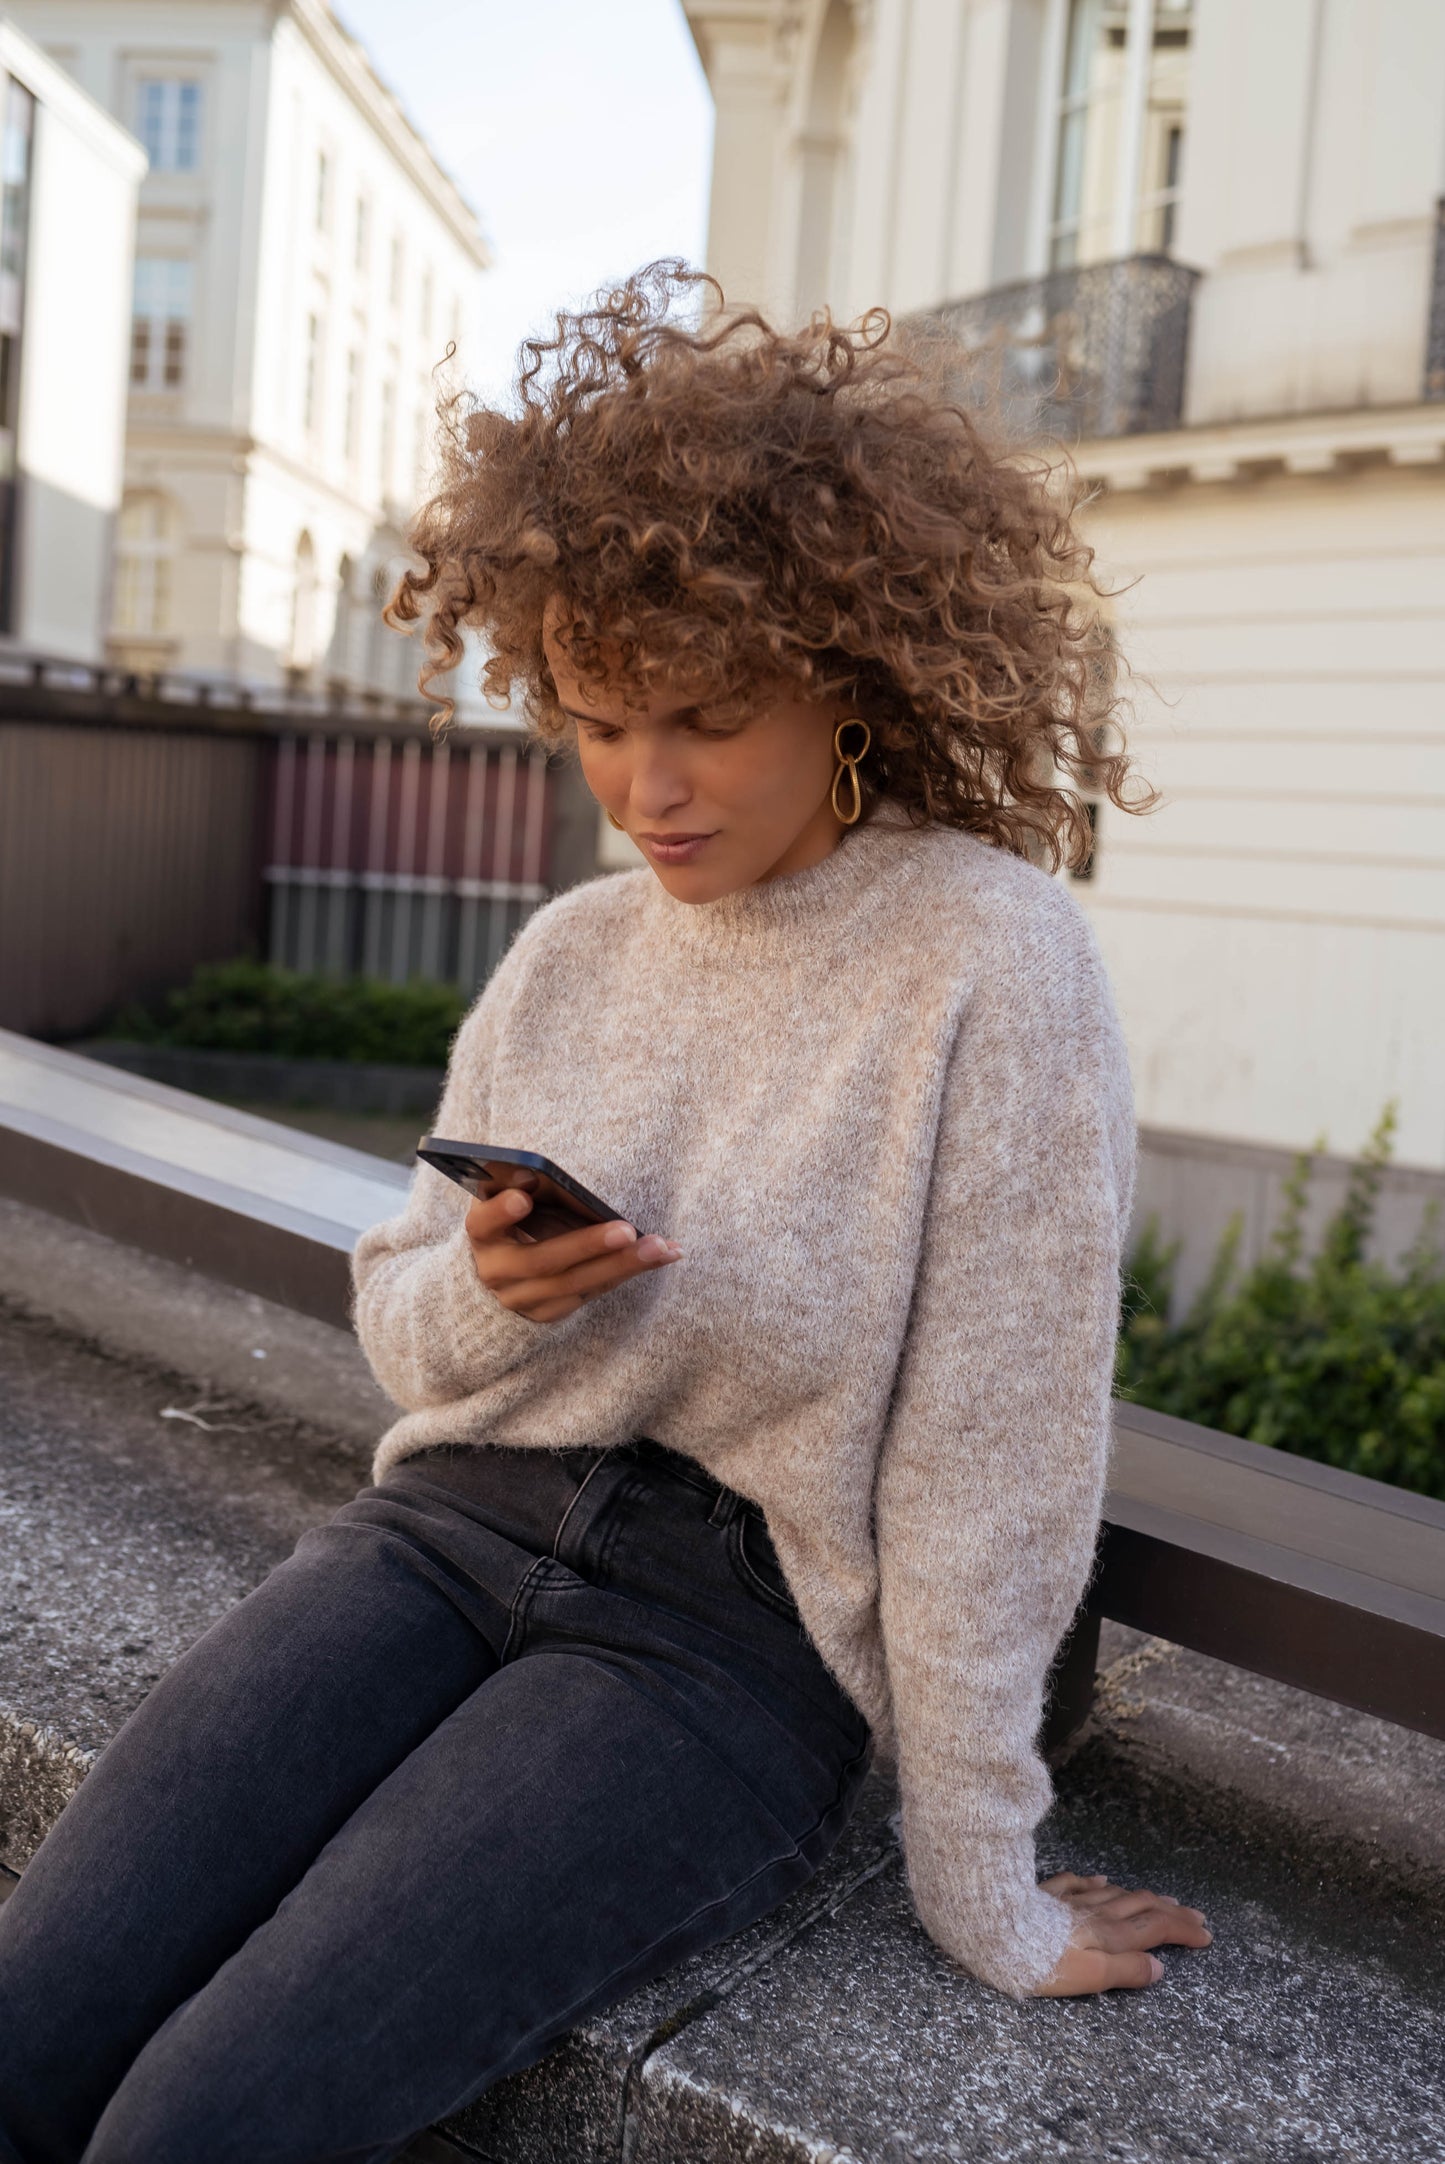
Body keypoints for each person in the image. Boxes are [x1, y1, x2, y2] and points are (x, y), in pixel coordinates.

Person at [0, 264, 1211, 2164]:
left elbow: (998, 1450)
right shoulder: (571, 954)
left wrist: (984, 1870)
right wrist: (494, 1295)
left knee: (203, 2128)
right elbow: (400, 1326)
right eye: (588, 719)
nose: (641, 786)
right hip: (438, 1530)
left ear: (849, 667)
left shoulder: (995, 960)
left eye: (702, 716)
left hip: (722, 1647)